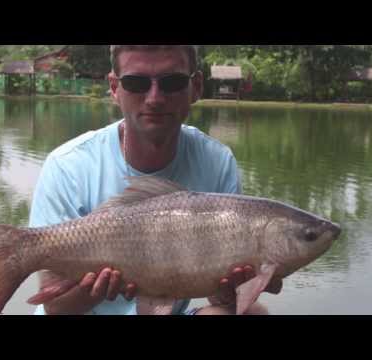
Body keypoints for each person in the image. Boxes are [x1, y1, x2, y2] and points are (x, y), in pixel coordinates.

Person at [29, 45, 281, 315]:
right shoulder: (68, 165)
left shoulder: (217, 161)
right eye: (136, 83)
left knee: (253, 313)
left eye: (172, 83)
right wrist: (93, 290)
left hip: (165, 309)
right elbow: (56, 309)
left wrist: (232, 291)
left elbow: (221, 301)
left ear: (195, 87)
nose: (154, 98)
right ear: (115, 88)